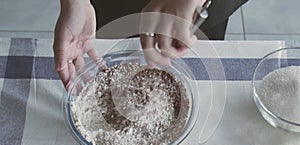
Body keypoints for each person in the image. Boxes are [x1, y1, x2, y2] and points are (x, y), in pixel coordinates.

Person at [53, 0, 248, 90]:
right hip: (113, 5)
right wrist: (75, 3)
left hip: (192, 9)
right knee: (111, 49)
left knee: (199, 76)